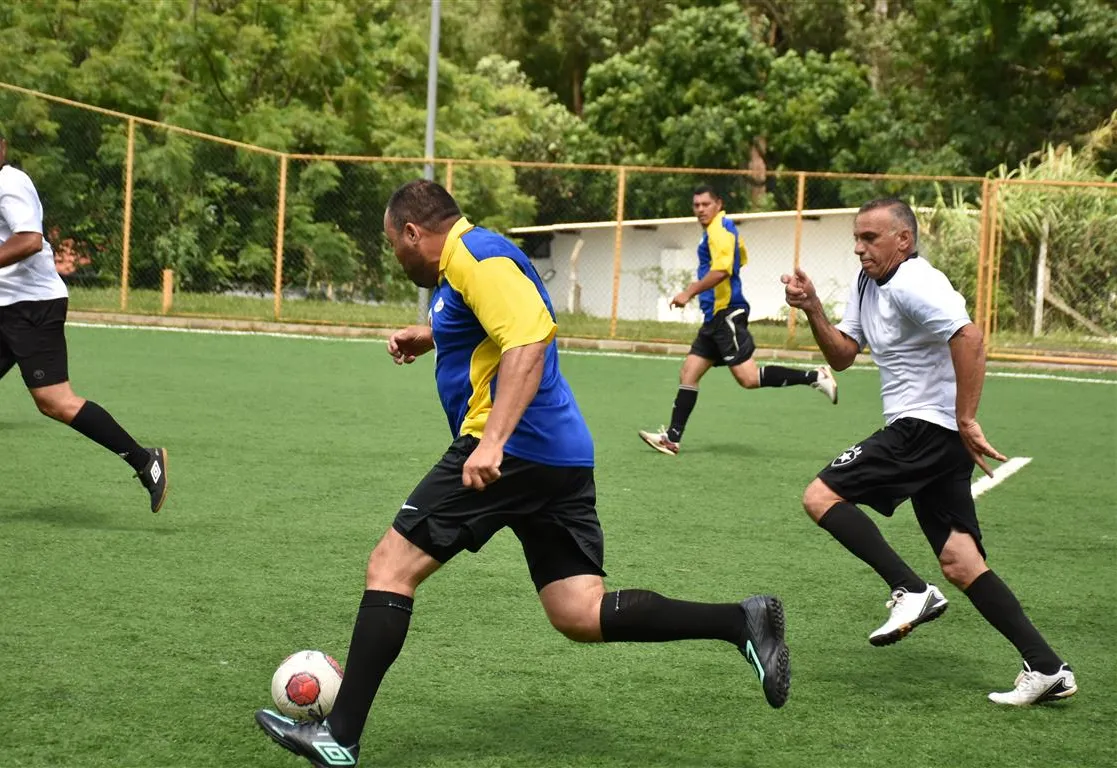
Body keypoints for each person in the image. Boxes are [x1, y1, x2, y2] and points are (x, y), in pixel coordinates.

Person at [255, 180, 791, 767]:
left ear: (413, 232)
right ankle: (742, 620)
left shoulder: (476, 258)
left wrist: (493, 442)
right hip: (556, 455)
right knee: (579, 613)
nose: (396, 256)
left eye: (393, 244)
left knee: (390, 565)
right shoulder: (469, 264)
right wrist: (433, 335)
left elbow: (529, 341)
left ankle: (340, 735)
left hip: (514, 449)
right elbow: (501, 319)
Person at [782, 197, 1075, 706]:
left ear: (904, 240)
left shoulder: (917, 281)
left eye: (870, 239)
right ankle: (1047, 668)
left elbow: (970, 337)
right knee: (962, 562)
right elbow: (844, 356)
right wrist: (812, 309)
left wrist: (965, 417)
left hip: (926, 429)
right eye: (856, 238)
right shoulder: (866, 283)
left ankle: (909, 590)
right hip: (932, 438)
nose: (859, 248)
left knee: (820, 496)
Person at [0, 130, 168, 512]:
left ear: (2, 148)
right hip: (4, 305)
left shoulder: (9, 182)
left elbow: (28, 239)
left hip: (31, 308)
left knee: (55, 402)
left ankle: (145, 461)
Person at [638, 185, 836, 456]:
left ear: (718, 203)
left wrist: (689, 291)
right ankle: (671, 439)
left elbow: (721, 270)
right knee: (689, 372)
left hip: (727, 312)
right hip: (715, 317)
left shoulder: (720, 230)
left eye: (705, 204)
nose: (699, 210)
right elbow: (740, 258)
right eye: (696, 205)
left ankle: (815, 376)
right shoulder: (721, 230)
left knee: (748, 378)